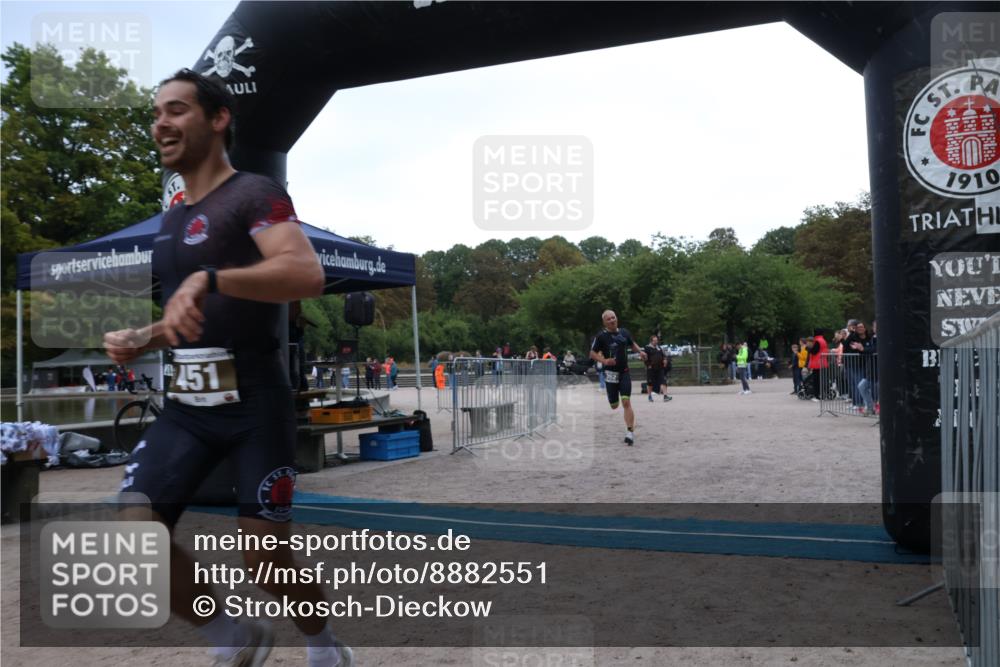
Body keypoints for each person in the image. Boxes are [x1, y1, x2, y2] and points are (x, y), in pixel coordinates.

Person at [102, 70, 351, 666]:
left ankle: (324, 646)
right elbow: (194, 314)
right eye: (157, 111)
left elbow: (305, 275)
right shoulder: (169, 219)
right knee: (133, 528)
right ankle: (233, 632)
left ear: (218, 120)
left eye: (178, 110)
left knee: (264, 558)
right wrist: (147, 334)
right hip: (188, 407)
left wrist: (208, 277)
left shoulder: (254, 194)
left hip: (255, 404)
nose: (161, 121)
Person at [589, 310, 647, 445]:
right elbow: (592, 353)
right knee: (614, 405)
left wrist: (641, 352)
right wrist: (604, 361)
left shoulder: (624, 332)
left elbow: (632, 344)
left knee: (626, 402)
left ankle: (630, 432)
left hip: (624, 372)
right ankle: (614, 402)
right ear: (604, 322)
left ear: (617, 318)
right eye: (608, 319)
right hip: (610, 375)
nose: (612, 320)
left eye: (613, 317)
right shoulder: (601, 336)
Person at [642, 335, 670, 402]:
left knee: (663, 381)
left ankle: (665, 396)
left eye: (656, 340)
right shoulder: (647, 348)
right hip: (651, 368)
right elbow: (644, 358)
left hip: (660, 368)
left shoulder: (659, 348)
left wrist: (665, 360)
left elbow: (663, 356)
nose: (656, 342)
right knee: (650, 383)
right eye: (654, 341)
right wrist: (648, 365)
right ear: (651, 341)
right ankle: (649, 396)